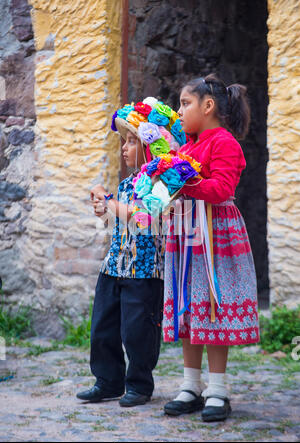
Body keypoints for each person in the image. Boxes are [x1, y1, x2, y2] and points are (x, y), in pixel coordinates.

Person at [162, 74, 260, 421]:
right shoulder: (186, 147)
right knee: (192, 307)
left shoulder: (225, 143)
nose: (180, 110)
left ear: (208, 106)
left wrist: (183, 177)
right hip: (188, 233)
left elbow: (219, 189)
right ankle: (191, 385)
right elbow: (175, 188)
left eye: (185, 103)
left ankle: (217, 389)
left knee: (214, 307)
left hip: (216, 235)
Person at [76, 98, 179, 407]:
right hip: (114, 266)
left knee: (138, 331)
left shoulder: (162, 185)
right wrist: (101, 205)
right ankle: (107, 381)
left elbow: (143, 217)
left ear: (149, 148)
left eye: (132, 141)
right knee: (103, 327)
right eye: (124, 141)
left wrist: (111, 205)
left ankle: (139, 384)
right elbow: (114, 216)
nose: (124, 147)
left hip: (144, 270)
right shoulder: (125, 184)